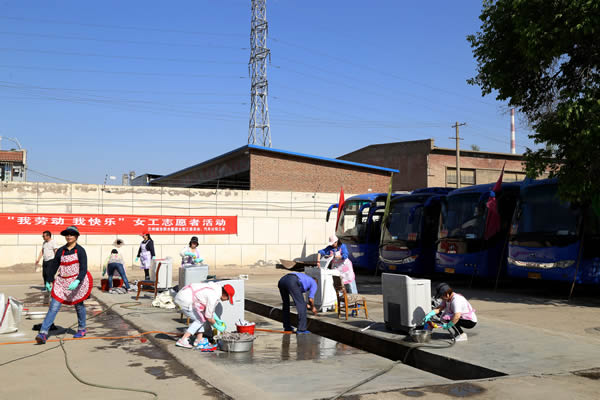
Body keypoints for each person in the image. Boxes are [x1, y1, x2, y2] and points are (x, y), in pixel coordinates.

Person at [35, 225, 93, 344]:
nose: (69, 236)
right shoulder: (61, 251)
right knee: (54, 306)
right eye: (67, 234)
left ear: (76, 236)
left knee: (79, 306)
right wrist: (49, 280)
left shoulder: (80, 251)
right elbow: (54, 266)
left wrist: (77, 280)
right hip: (61, 282)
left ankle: (82, 329)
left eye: (71, 234)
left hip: (76, 282)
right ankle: (43, 333)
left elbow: (83, 268)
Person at [174, 282, 235, 350]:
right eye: (228, 298)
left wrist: (217, 319)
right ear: (224, 294)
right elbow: (208, 317)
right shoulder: (214, 296)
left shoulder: (215, 288)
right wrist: (217, 326)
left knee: (201, 318)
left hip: (183, 296)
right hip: (184, 300)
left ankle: (199, 340)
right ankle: (183, 339)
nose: (227, 300)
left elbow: (208, 311)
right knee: (200, 320)